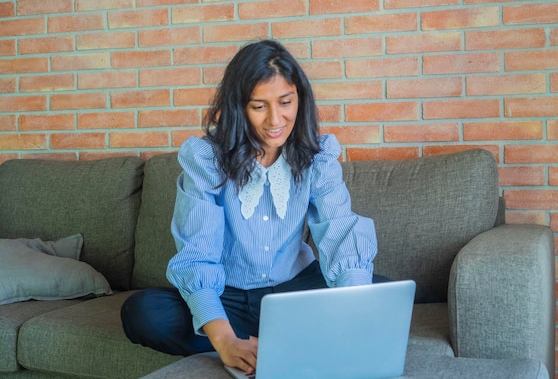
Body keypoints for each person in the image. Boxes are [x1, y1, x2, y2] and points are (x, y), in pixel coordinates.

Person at [120, 39, 378, 375]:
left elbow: (339, 228)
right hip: (228, 297)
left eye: (286, 102)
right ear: (238, 106)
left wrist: (354, 306)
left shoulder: (318, 155)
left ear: (299, 97)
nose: (276, 119)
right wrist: (225, 340)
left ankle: (278, 339)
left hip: (293, 292)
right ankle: (272, 341)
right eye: (259, 107)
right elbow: (198, 252)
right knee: (143, 313)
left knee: (374, 291)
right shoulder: (206, 159)